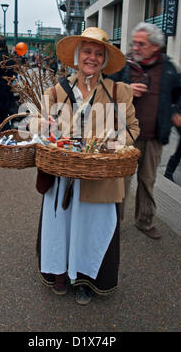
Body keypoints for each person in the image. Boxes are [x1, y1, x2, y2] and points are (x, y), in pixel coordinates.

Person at [36, 27, 139, 305]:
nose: (91, 58)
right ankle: (59, 272)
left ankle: (85, 280)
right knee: (61, 227)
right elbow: (38, 125)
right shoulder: (56, 91)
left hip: (100, 177)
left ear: (104, 60)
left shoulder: (119, 91)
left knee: (92, 230)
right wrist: (44, 126)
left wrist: (109, 146)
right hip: (62, 177)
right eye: (87, 52)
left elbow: (132, 129)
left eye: (98, 53)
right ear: (78, 56)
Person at [110, 22, 178, 240]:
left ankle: (145, 221)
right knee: (121, 181)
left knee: (147, 181)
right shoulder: (124, 65)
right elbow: (105, 90)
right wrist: (126, 91)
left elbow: (180, 93)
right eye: (134, 43)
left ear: (155, 47)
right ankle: (113, 223)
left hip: (154, 137)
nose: (136, 47)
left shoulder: (168, 68)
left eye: (141, 44)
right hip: (126, 136)